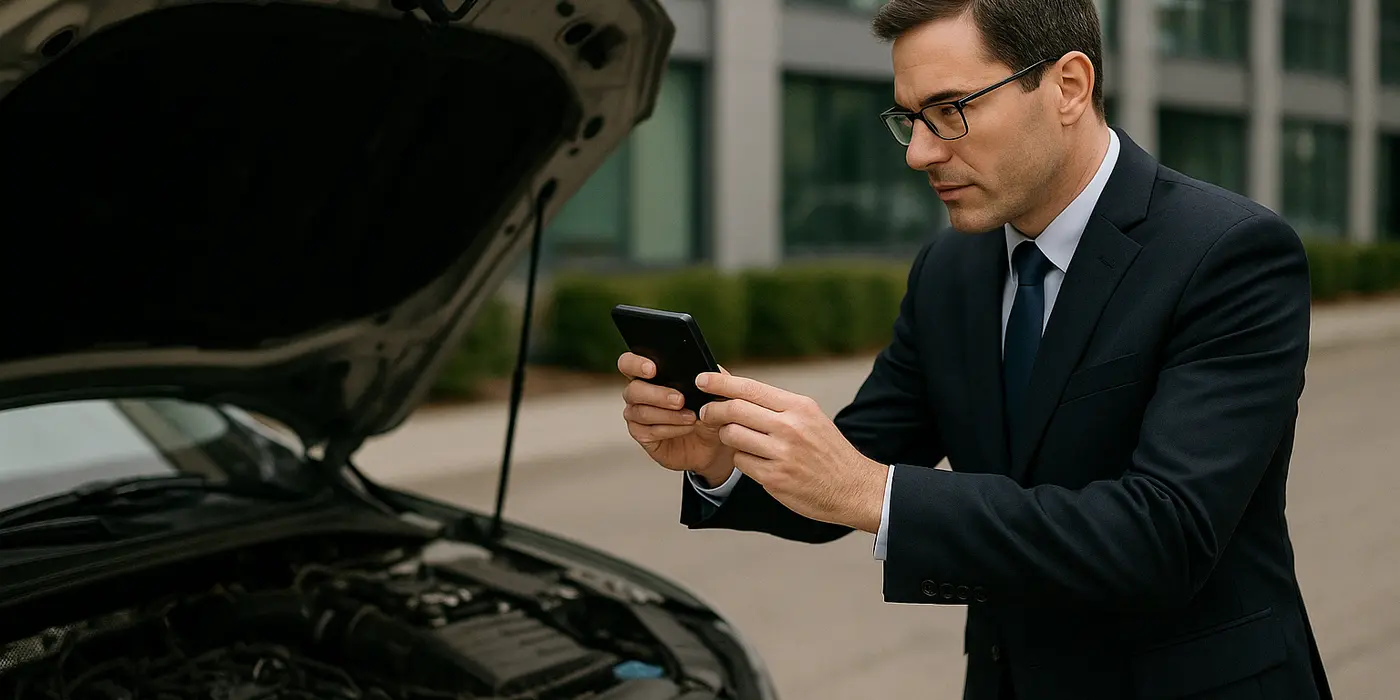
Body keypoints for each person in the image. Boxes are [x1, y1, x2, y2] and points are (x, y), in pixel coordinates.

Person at [618, 1, 1331, 698]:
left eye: (951, 109)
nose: (920, 152)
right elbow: (850, 463)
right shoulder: (949, 269)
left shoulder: (1228, 254)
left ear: (1068, 86)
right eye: (909, 118)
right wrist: (722, 456)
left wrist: (875, 492)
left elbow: (1164, 536)